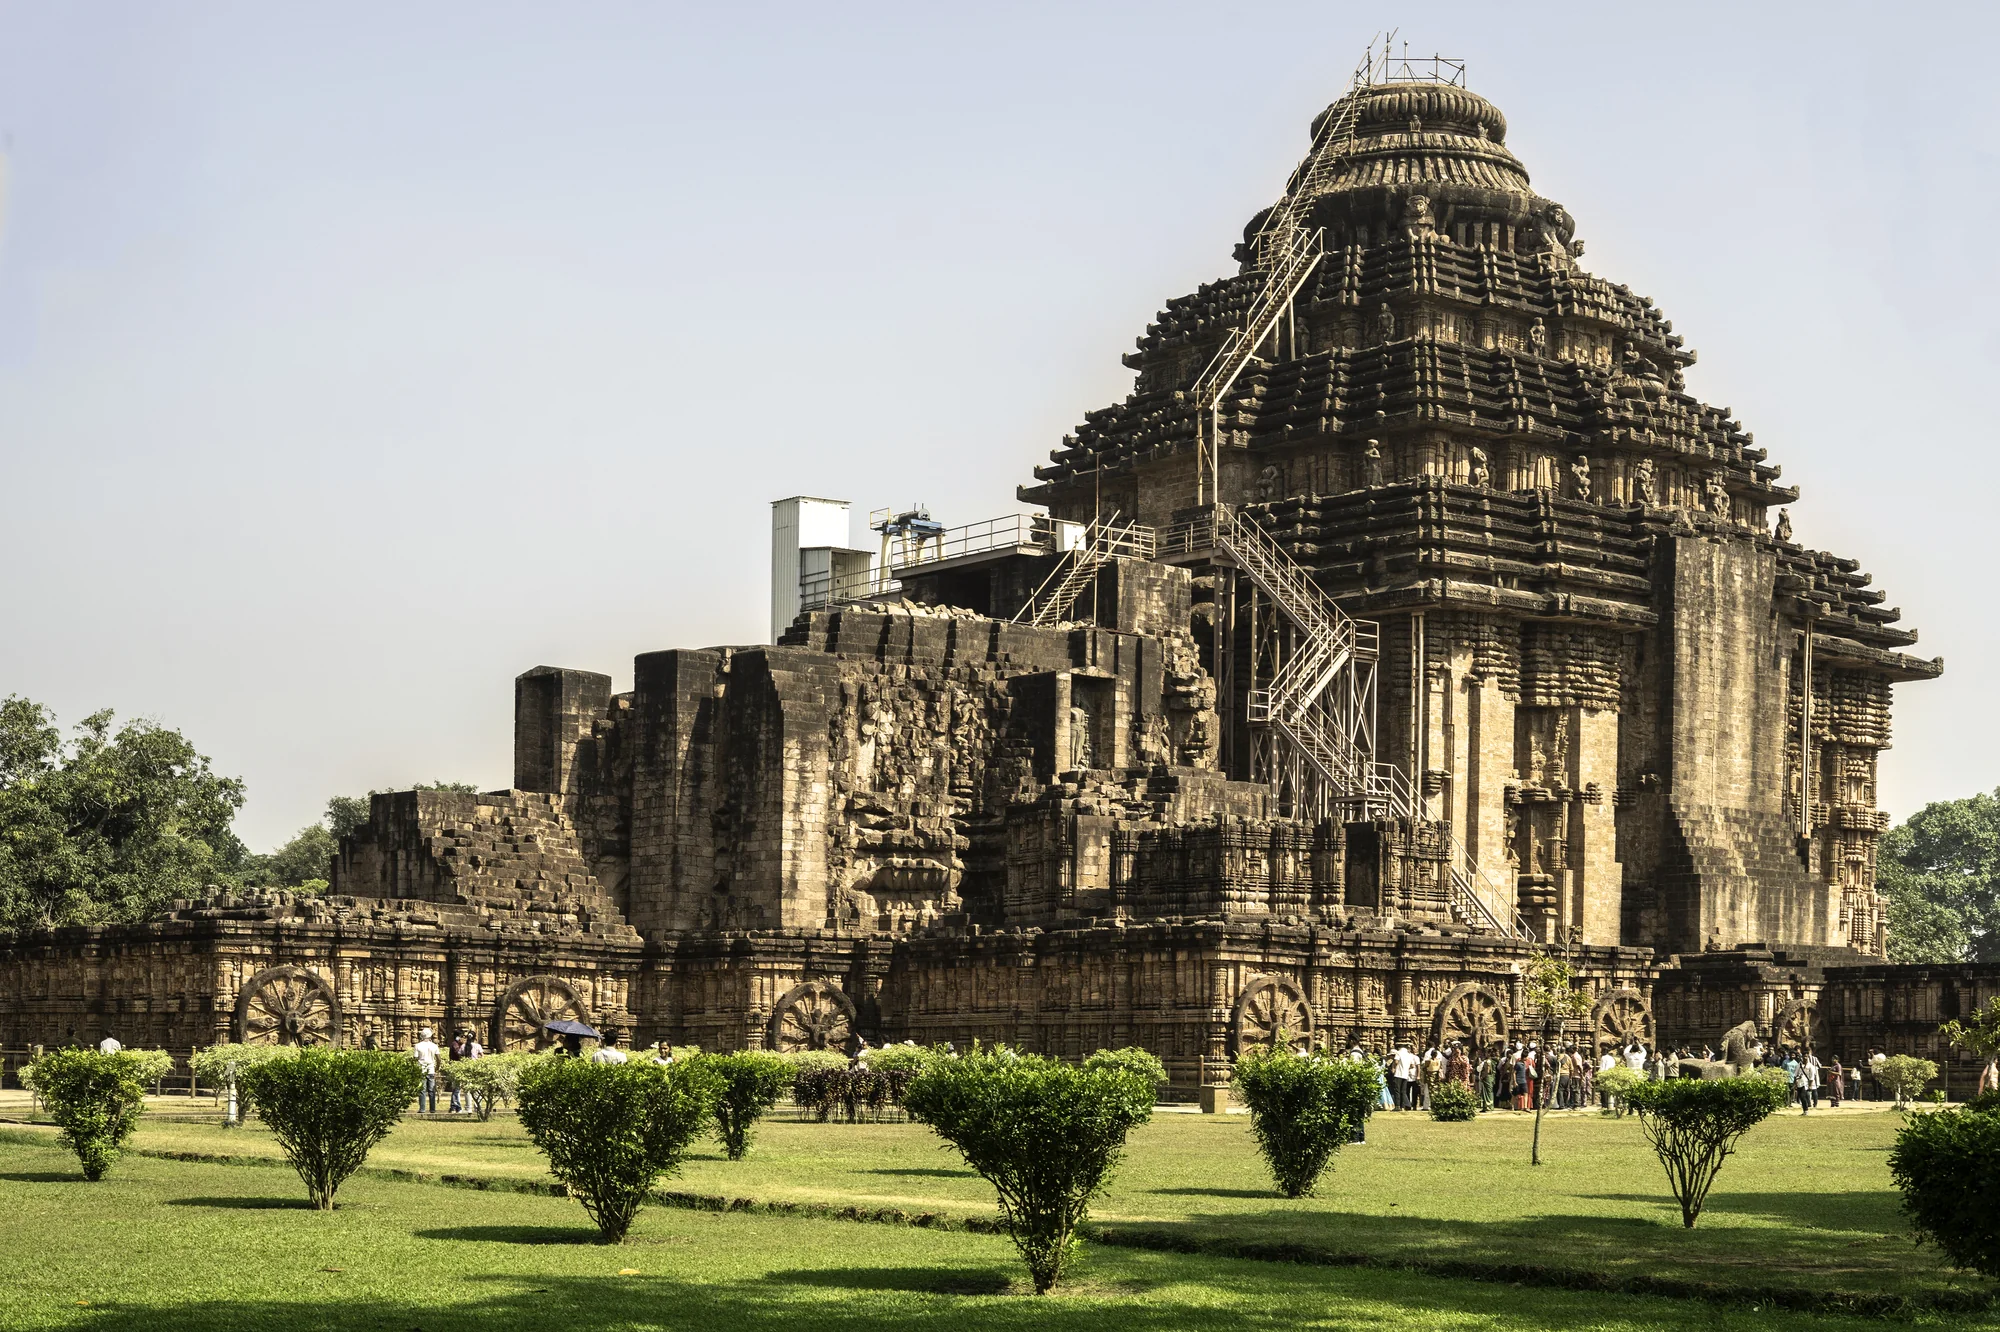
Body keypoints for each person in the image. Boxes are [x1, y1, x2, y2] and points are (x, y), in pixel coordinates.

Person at [412, 1027, 442, 1114]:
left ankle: (422, 1109)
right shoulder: (434, 1046)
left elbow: (415, 1058)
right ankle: (432, 1109)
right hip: (431, 1069)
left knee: (422, 1090)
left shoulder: (418, 1045)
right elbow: (439, 1059)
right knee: (431, 1090)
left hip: (421, 1069)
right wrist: (437, 1067)